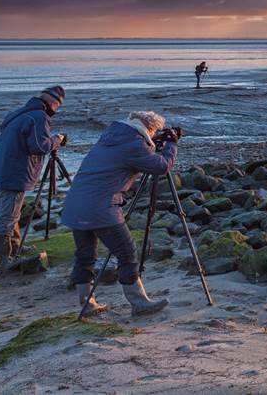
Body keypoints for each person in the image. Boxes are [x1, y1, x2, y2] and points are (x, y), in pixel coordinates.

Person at [61, 110, 179, 316]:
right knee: (127, 252)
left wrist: (152, 144)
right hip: (99, 207)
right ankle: (139, 302)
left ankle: (86, 305)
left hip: (75, 204)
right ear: (148, 128)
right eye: (154, 132)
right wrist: (171, 145)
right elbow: (161, 167)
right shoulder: (134, 145)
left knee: (85, 256)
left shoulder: (111, 137)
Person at [0, 85, 66, 271]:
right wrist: (57, 140)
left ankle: (15, 247)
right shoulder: (39, 117)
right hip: (14, 173)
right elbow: (40, 146)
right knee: (7, 216)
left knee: (12, 213)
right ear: (54, 104)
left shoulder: (19, 113)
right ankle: (4, 259)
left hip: (1, 169)